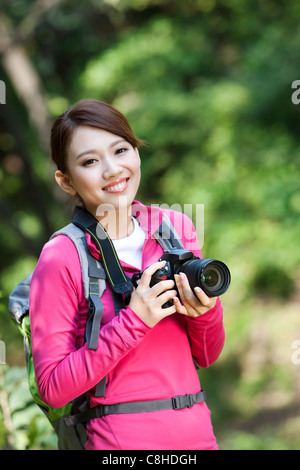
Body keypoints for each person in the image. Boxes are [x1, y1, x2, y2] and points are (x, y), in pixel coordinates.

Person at [29, 99, 225, 450]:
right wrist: (134, 320)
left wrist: (206, 312)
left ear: (136, 152)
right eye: (89, 161)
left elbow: (208, 355)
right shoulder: (61, 255)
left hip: (199, 439)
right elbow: (53, 388)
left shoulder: (175, 229)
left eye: (121, 150)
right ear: (66, 180)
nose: (112, 170)